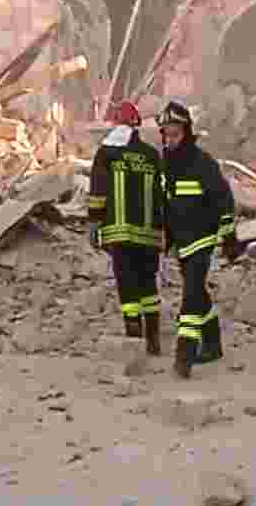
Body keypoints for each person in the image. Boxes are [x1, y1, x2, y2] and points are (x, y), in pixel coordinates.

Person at [158, 100, 241, 378]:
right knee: (198, 291)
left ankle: (185, 353)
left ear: (187, 133)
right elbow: (168, 203)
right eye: (166, 134)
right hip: (183, 241)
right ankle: (214, 344)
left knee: (191, 294)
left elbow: (224, 199)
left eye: (175, 134)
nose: (170, 140)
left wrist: (229, 235)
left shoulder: (202, 163)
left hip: (203, 238)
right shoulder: (167, 165)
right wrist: (166, 236)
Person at [88, 101, 164, 355]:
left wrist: (94, 222)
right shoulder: (152, 155)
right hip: (149, 235)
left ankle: (134, 338)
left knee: (127, 285)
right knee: (148, 285)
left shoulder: (107, 153)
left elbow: (98, 190)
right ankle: (153, 339)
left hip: (119, 234)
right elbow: (162, 193)